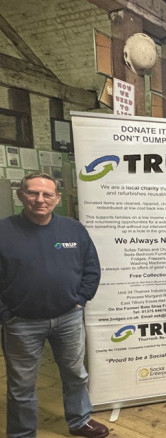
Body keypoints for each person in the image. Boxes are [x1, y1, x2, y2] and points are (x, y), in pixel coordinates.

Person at [0, 172, 109, 438]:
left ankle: (80, 420)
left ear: (57, 198)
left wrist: (81, 301)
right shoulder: (3, 231)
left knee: (76, 374)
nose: (40, 199)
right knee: (21, 386)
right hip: (20, 323)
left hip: (68, 319)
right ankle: (23, 433)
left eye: (47, 194)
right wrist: (5, 314)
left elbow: (91, 268)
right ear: (20, 195)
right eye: (33, 193)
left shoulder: (73, 229)